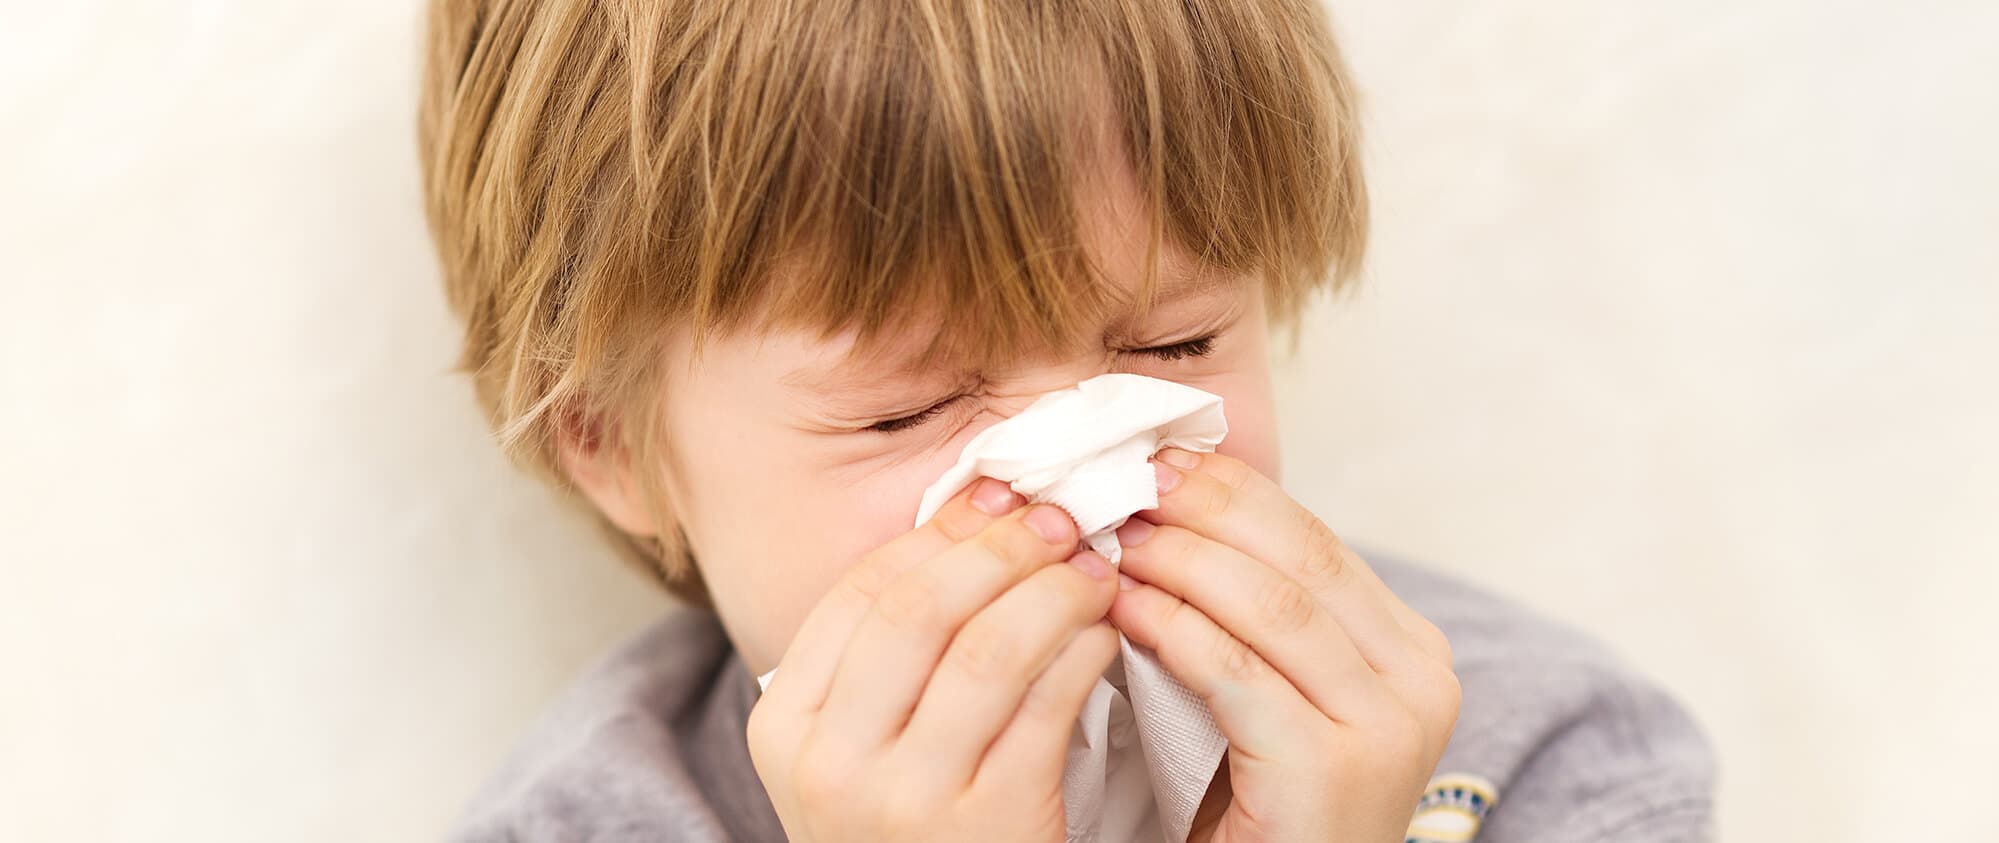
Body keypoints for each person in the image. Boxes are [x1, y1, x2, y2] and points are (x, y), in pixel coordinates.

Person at [418, 0, 1715, 839]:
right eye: (906, 410)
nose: (1085, 486)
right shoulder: (587, 823)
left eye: (1175, 346)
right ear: (612, 446)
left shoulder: (1534, 755)